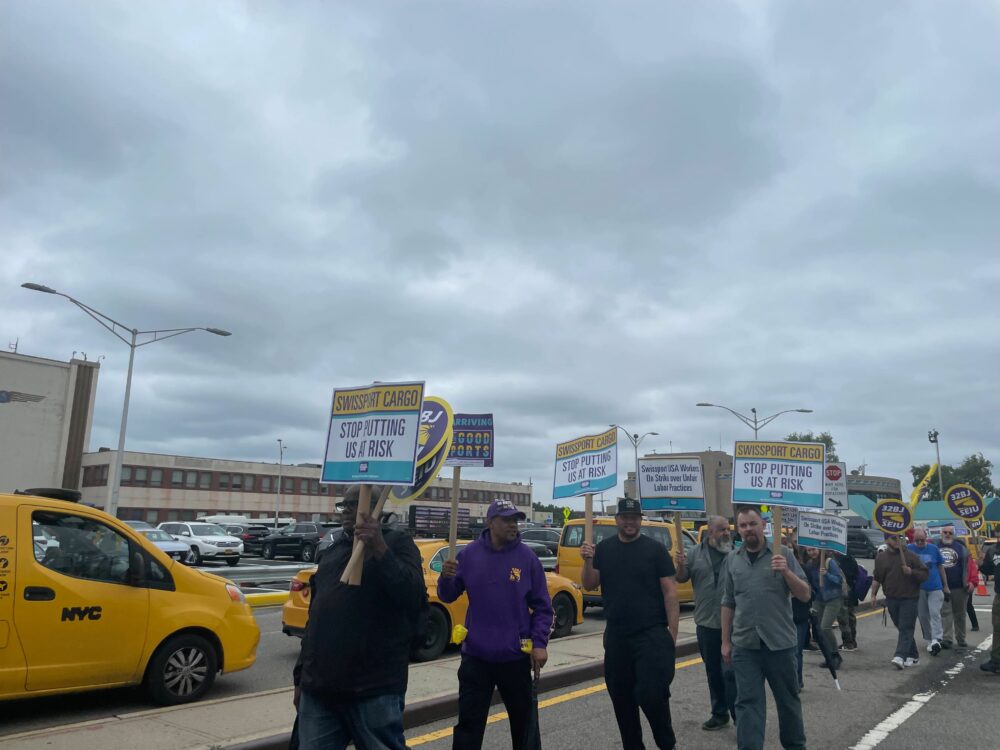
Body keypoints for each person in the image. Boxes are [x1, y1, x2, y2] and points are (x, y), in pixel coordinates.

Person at [292, 485, 426, 750]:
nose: (346, 511)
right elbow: (315, 620)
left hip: (374, 688)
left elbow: (412, 596)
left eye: (354, 504)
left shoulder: (398, 544)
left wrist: (379, 547)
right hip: (320, 688)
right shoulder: (334, 551)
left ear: (375, 508)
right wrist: (300, 677)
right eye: (344, 505)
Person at [438, 498, 553, 749]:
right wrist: (445, 578)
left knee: (525, 726)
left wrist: (540, 643)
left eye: (515, 520)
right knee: (469, 727)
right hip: (476, 657)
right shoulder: (469, 555)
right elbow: (447, 595)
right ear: (491, 523)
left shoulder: (527, 558)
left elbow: (543, 607)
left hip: (515, 657)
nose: (513, 525)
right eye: (507, 520)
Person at [580, 497, 680, 750]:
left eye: (634, 518)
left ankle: (666, 743)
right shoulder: (604, 549)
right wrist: (587, 560)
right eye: (625, 517)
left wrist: (672, 634)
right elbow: (589, 584)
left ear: (640, 520)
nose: (629, 522)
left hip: (651, 634)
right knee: (621, 698)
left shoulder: (655, 550)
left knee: (651, 694)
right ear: (617, 520)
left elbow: (670, 592)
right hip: (617, 636)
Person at [721, 506, 811, 750]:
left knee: (788, 700)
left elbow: (805, 594)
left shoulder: (783, 553)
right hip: (745, 645)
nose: (748, 529)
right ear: (738, 529)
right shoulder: (732, 559)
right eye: (743, 525)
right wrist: (725, 642)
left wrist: (786, 571)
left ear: (763, 525)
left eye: (752, 524)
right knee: (747, 703)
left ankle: (795, 746)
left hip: (779, 644)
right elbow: (728, 601)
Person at [675, 515, 736, 731]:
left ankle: (741, 717)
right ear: (710, 532)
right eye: (721, 529)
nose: (726, 533)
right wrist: (680, 565)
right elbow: (681, 578)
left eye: (727, 529)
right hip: (706, 623)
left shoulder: (737, 554)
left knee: (731, 673)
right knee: (713, 672)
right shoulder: (694, 553)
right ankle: (719, 713)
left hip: (734, 624)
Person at [870, 533, 928, 669]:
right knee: (902, 627)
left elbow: (925, 574)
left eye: (900, 538)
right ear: (886, 540)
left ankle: (900, 656)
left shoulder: (911, 556)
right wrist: (873, 594)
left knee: (906, 627)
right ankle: (913, 656)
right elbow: (877, 577)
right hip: (891, 598)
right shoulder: (881, 557)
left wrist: (911, 572)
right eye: (894, 538)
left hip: (909, 598)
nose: (898, 541)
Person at [907, 528, 949, 655]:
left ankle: (937, 638)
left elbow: (941, 567)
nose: (920, 542)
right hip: (918, 587)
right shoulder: (909, 549)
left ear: (926, 538)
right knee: (923, 615)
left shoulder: (933, 549)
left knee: (935, 613)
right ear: (913, 539)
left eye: (922, 540)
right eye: (917, 540)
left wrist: (945, 585)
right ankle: (930, 639)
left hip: (935, 586)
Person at [801, 547, 843, 670]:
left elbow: (839, 580)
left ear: (819, 549)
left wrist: (826, 574)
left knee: (825, 627)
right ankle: (828, 656)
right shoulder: (809, 564)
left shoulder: (829, 562)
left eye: (813, 549)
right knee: (818, 629)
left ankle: (835, 655)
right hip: (818, 599)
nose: (811, 552)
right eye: (809, 550)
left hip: (832, 598)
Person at [937, 525, 971, 649]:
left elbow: (969, 567)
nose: (947, 534)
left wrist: (969, 582)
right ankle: (947, 639)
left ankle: (961, 638)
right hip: (941, 587)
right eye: (945, 532)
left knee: (960, 614)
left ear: (953, 535)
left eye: (950, 533)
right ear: (941, 533)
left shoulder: (961, 548)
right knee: (945, 614)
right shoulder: (935, 548)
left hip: (960, 587)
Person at [978, 540, 1000, 673]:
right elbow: (989, 570)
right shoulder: (993, 550)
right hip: (999, 595)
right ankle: (996, 660)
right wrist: (981, 563)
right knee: (997, 628)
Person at [833, 551, 860, 650]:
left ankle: (848, 642)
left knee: (844, 617)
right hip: (851, 591)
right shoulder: (850, 557)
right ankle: (852, 641)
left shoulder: (841, 559)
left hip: (844, 591)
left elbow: (844, 576)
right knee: (850, 616)